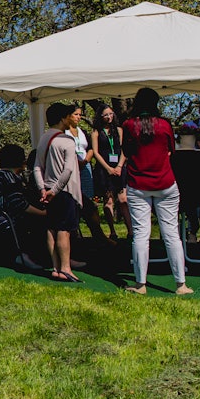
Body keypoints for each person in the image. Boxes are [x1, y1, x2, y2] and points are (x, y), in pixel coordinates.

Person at [121, 87, 193, 296]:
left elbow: (126, 151)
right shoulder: (164, 125)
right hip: (165, 183)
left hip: (138, 184)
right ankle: (181, 285)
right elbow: (172, 150)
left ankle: (140, 284)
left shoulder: (128, 125)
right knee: (171, 234)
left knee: (141, 235)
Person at [32, 102, 83, 283]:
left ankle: (55, 268)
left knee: (51, 229)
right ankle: (66, 268)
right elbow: (68, 170)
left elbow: (37, 167)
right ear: (63, 118)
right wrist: (54, 190)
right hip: (64, 191)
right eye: (70, 115)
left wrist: (43, 189)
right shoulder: (67, 140)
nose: (73, 117)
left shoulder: (44, 138)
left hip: (47, 190)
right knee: (64, 230)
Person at [0, 143, 47, 269]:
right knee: (39, 220)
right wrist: (43, 213)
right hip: (3, 218)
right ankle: (23, 256)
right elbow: (19, 205)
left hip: (1, 215)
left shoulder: (6, 175)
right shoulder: (9, 179)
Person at [68, 105, 110, 246]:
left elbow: (91, 148)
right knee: (74, 201)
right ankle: (74, 233)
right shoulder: (63, 132)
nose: (78, 117)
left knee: (88, 200)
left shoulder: (82, 131)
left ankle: (97, 235)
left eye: (80, 114)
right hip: (71, 168)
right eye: (76, 114)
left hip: (85, 166)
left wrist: (86, 160)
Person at [90, 101, 127, 242]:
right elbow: (95, 152)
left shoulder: (119, 130)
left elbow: (124, 149)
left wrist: (119, 166)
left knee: (123, 199)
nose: (109, 117)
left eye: (111, 114)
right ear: (100, 116)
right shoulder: (96, 132)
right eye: (106, 115)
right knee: (109, 200)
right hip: (104, 169)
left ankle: (130, 230)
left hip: (119, 167)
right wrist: (108, 168)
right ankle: (112, 231)